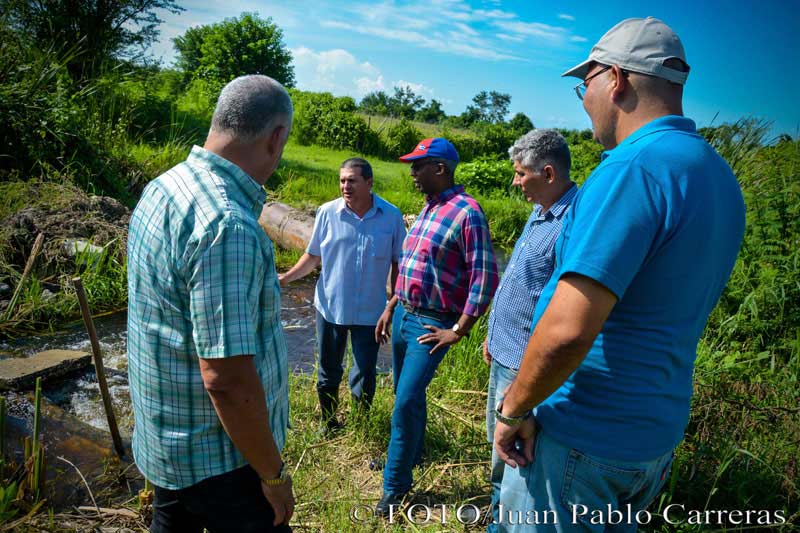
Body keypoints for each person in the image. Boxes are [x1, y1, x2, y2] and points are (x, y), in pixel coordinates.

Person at [493, 17, 746, 532]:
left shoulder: (631, 168)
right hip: (651, 439)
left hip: (581, 438)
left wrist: (513, 410)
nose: (583, 98)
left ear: (617, 79)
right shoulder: (717, 175)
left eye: (583, 84)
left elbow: (568, 329)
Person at [127, 75, 295, 532]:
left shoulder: (164, 186)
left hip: (166, 444)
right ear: (276, 138)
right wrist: (273, 474)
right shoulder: (228, 225)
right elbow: (225, 378)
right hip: (222, 461)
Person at [374, 137, 499, 516]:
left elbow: (485, 277)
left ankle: (393, 488)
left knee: (405, 402)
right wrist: (391, 306)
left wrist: (459, 329)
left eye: (419, 165)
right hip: (403, 315)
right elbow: (413, 266)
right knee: (405, 396)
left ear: (440, 169)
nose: (412, 172)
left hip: (431, 324)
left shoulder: (467, 213)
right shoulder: (429, 209)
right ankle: (410, 456)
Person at [483, 129, 576, 531]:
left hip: (525, 368)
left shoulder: (574, 223)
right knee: (497, 448)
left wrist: (525, 369)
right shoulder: (541, 208)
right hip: (504, 353)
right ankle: (495, 516)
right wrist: (493, 334)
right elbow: (523, 280)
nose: (516, 181)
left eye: (521, 174)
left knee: (515, 458)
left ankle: (504, 524)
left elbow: (561, 307)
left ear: (549, 173)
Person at [278, 157, 405, 432]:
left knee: (364, 373)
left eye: (352, 180)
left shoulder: (391, 217)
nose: (345, 186)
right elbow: (313, 256)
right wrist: (286, 279)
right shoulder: (327, 213)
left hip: (372, 312)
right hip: (331, 308)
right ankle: (329, 422)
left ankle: (362, 425)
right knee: (328, 371)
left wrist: (391, 307)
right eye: (342, 180)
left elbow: (399, 264)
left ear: (369, 183)